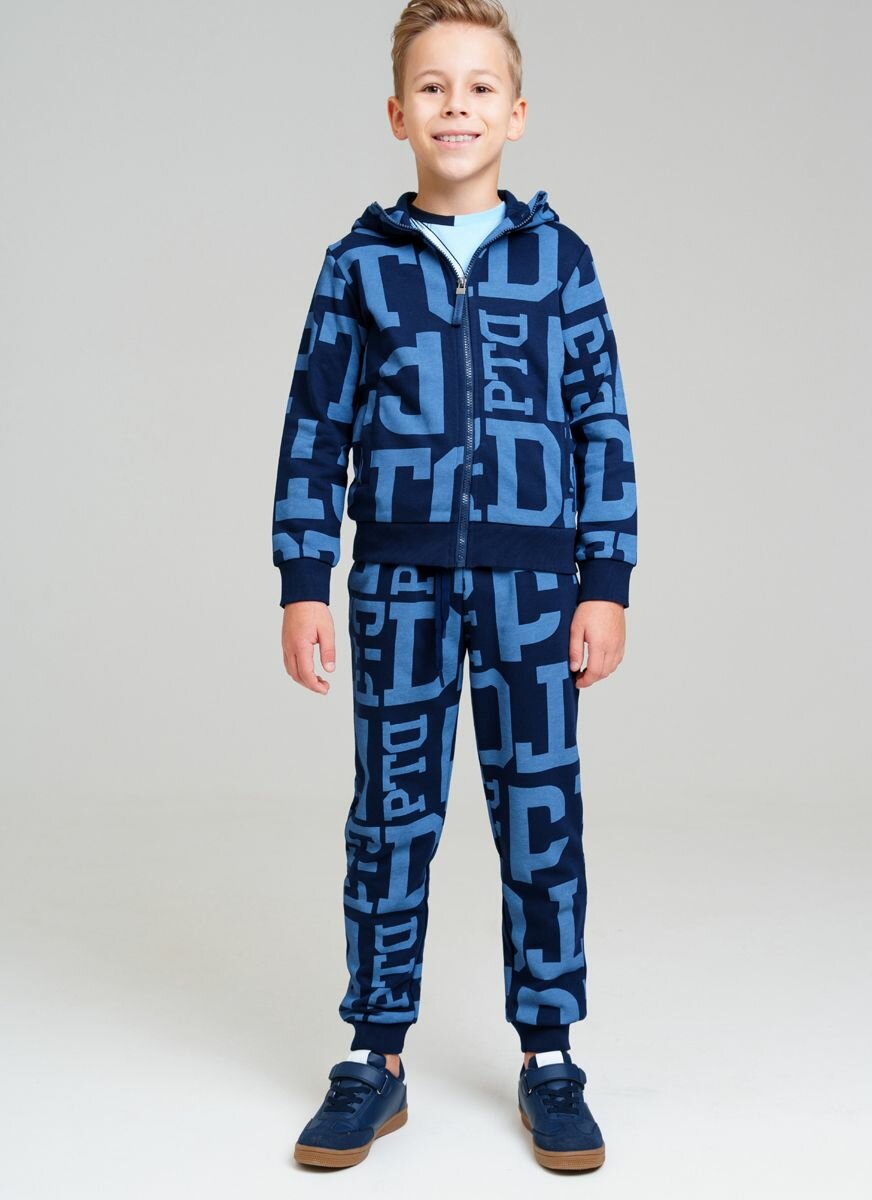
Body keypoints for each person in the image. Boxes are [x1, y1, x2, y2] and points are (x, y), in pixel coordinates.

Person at [273, 0, 637, 1172]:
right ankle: (374, 1057)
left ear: (517, 114)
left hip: (536, 587)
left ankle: (550, 1055)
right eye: (433, 87)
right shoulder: (361, 265)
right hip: (397, 584)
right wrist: (304, 576)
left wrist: (606, 577)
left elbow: (601, 424)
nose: (457, 107)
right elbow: (315, 427)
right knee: (392, 815)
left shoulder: (560, 261)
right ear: (397, 114)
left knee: (541, 813)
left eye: (480, 87)